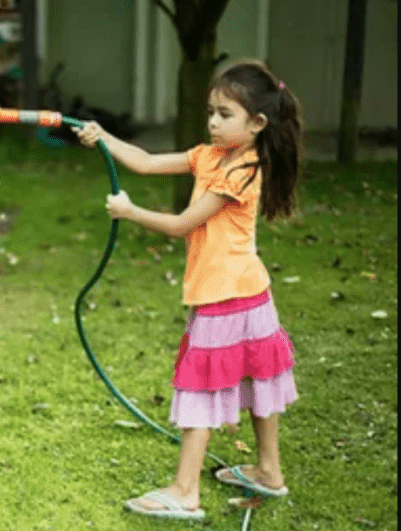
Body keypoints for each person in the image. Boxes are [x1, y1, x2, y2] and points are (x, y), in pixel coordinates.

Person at [74, 59, 302, 520]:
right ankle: (268, 472)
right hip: (246, 294)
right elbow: (145, 161)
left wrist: (130, 212)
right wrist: (104, 137)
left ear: (257, 124)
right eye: (211, 112)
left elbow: (181, 225)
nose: (214, 122)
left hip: (225, 298)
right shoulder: (211, 156)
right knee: (257, 383)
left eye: (225, 114)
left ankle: (184, 491)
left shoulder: (243, 172)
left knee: (201, 389)